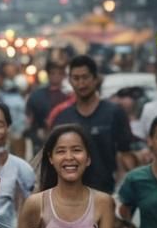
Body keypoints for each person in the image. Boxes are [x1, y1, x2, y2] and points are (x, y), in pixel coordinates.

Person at [48, 55, 134, 194]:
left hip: (106, 192)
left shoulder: (114, 113)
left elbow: (125, 154)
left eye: (85, 77)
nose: (81, 83)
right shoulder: (62, 117)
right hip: (70, 195)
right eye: (76, 78)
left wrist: (123, 190)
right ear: (70, 81)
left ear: (96, 79)